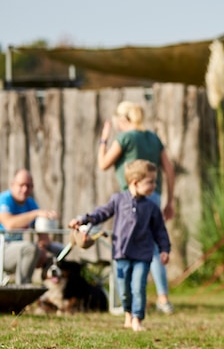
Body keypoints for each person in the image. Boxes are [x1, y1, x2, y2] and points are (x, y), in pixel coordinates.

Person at [70, 159, 171, 333]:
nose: (154, 185)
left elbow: (160, 231)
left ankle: (137, 319)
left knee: (138, 286)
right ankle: (128, 314)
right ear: (135, 182)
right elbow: (101, 214)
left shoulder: (151, 207)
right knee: (124, 289)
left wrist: (164, 249)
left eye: (155, 181)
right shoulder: (118, 200)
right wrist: (83, 219)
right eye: (151, 182)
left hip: (143, 255)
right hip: (121, 254)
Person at [97, 100, 176, 314]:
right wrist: (169, 200)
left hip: (132, 200)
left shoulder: (124, 138)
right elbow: (169, 169)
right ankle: (162, 297)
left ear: (122, 120)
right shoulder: (153, 138)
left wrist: (104, 139)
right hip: (154, 196)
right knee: (153, 247)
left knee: (131, 247)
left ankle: (133, 299)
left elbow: (103, 164)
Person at [0, 169, 59, 284]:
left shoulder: (30, 203)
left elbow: (44, 237)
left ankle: (55, 291)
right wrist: (35, 214)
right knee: (30, 249)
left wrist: (42, 248)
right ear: (12, 185)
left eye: (28, 186)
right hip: (3, 249)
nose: (25, 189)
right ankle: (23, 290)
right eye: (21, 185)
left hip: (17, 249)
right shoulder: (4, 199)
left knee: (60, 251)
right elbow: (9, 224)